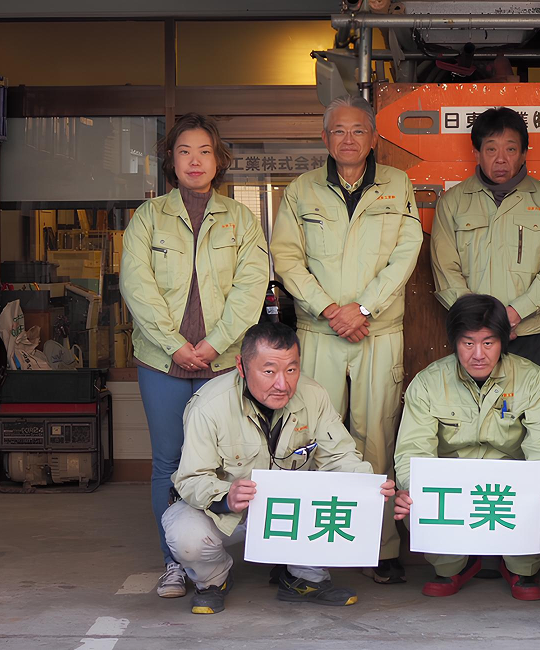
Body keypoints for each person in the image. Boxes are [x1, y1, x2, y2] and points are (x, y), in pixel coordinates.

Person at [271, 95, 422, 584]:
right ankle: (306, 547)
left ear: (374, 138)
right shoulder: (301, 190)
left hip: (378, 331)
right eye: (339, 131)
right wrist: (330, 309)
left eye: (358, 130)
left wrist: (364, 308)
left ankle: (381, 546)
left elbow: (407, 251)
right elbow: (286, 257)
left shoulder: (397, 184)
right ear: (325, 138)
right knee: (310, 437)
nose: (349, 139)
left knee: (376, 435)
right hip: (320, 332)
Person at [121, 113, 269, 599]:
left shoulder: (241, 219)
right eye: (184, 151)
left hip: (222, 363)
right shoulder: (148, 217)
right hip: (161, 361)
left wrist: (214, 344)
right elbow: (137, 286)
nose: (195, 161)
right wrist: (176, 345)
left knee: (222, 460)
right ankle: (174, 563)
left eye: (204, 151)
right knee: (167, 461)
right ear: (171, 159)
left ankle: (210, 554)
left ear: (218, 160)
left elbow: (251, 288)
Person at [164, 322, 397, 615]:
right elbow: (191, 477)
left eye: (291, 369)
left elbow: (339, 456)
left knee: (340, 504)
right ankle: (213, 580)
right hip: (229, 511)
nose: (282, 384)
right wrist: (226, 496)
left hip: (289, 510)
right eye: (269, 371)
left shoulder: (314, 395)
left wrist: (369, 486)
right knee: (185, 534)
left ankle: (305, 578)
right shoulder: (209, 406)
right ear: (241, 366)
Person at [392, 294, 540, 601]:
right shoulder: (429, 382)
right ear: (454, 342)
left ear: (503, 341)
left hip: (509, 488)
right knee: (412, 501)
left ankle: (521, 568)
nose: (478, 354)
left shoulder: (531, 378)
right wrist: (411, 486)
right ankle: (451, 566)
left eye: (488, 342)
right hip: (452, 486)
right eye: (468, 343)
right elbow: (412, 448)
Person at [429, 107, 540, 376]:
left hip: (531, 330)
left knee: (532, 400)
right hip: (474, 336)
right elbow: (445, 268)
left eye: (510, 149)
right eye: (491, 149)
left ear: (523, 153)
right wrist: (481, 323)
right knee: (474, 402)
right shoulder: (453, 202)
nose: (500, 159)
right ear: (477, 153)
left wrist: (516, 313)